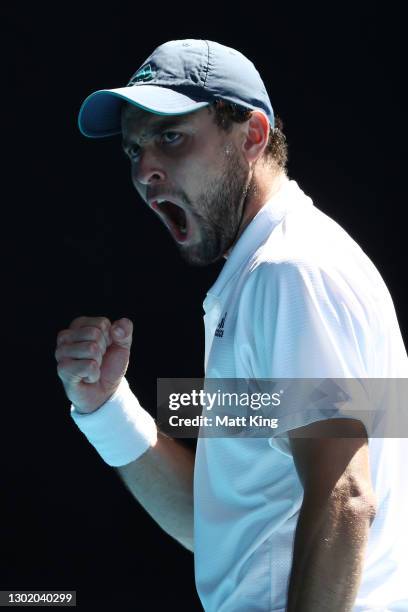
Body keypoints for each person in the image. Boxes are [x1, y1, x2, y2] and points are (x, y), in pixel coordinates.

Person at [55, 39, 408, 611]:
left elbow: (346, 495)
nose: (145, 169)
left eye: (170, 136)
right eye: (133, 149)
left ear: (252, 135)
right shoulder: (266, 275)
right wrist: (106, 408)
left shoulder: (289, 272)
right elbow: (220, 529)